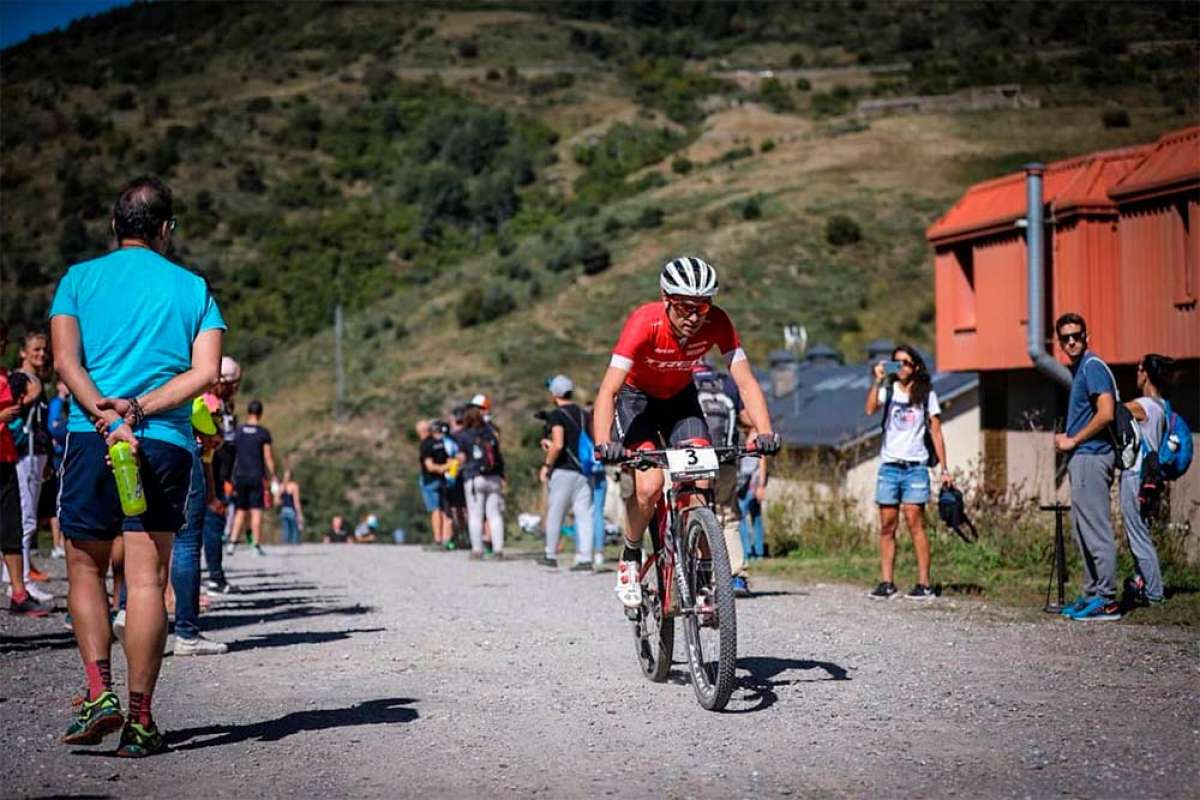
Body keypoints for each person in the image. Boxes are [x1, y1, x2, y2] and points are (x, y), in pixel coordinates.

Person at [50, 175, 225, 756]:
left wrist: (105, 413)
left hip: (92, 437)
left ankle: (100, 693)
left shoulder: (78, 280)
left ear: (114, 226)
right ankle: (143, 721)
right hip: (166, 441)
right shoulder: (194, 288)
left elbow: (65, 362)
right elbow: (205, 374)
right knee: (148, 578)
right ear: (167, 230)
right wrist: (142, 407)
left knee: (85, 567)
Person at [592, 256, 780, 611]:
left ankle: (705, 577)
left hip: (680, 399)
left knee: (702, 482)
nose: (694, 317)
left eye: (703, 306)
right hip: (637, 402)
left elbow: (745, 380)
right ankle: (631, 556)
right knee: (648, 487)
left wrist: (765, 431)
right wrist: (605, 442)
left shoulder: (719, 322)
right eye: (684, 307)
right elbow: (608, 390)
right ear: (666, 298)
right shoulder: (643, 322)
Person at [864, 345, 950, 600]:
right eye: (896, 362)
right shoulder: (887, 390)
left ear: (916, 367)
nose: (901, 367)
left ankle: (924, 583)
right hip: (889, 466)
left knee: (915, 523)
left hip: (915, 467)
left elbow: (936, 431)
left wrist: (945, 468)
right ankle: (886, 582)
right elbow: (869, 409)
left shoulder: (927, 394)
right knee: (887, 525)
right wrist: (877, 380)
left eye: (906, 362)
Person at [1053, 313, 1121, 621]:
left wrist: (1072, 440)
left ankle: (1107, 600)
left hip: (1093, 455)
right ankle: (1093, 593)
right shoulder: (1080, 369)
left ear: (1086, 336)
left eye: (1076, 335)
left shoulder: (1092, 367)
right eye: (1065, 337)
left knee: (1096, 529)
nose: (1071, 341)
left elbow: (1106, 413)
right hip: (1083, 457)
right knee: (1082, 531)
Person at [170, 397, 229, 656]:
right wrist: (211, 430)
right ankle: (186, 632)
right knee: (186, 544)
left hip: (140, 445)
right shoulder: (190, 387)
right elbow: (200, 418)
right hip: (179, 449)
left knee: (144, 538)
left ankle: (128, 610)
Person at [693, 361, 757, 597]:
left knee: (690, 512)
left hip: (692, 460)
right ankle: (735, 576)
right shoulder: (726, 383)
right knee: (727, 517)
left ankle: (699, 574)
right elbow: (748, 419)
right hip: (725, 459)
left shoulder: (683, 382)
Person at [2, 322, 50, 617]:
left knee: (21, 518)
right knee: (25, 516)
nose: (42, 355)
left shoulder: (22, 378)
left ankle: (20, 584)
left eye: (45, 350)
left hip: (26, 453)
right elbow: (15, 411)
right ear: (23, 353)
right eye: (36, 350)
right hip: (22, 452)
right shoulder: (19, 380)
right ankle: (17, 583)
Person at [1119, 354, 1173, 608]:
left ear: (1145, 374)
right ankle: (1144, 582)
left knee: (1137, 534)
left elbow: (1113, 411)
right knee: (1142, 531)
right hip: (1150, 477)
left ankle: (1154, 591)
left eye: (1138, 368)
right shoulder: (1162, 407)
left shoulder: (1143, 406)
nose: (1136, 373)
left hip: (1136, 474)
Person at [539, 375, 595, 571]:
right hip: (584, 471)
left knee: (556, 513)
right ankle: (585, 559)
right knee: (584, 515)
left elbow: (559, 444)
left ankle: (550, 554)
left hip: (563, 470)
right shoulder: (583, 414)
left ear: (555, 393)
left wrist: (547, 465)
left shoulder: (557, 415)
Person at [227, 399, 274, 556]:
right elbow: (267, 457)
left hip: (240, 475)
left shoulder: (238, 432)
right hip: (256, 475)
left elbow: (232, 455)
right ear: (260, 414)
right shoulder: (263, 433)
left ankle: (232, 543)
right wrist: (272, 476)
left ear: (248, 412)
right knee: (256, 511)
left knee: (240, 510)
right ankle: (255, 545)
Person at [460, 406, 506, 559]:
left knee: (475, 515)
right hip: (494, 478)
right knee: (494, 514)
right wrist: (502, 476)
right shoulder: (491, 433)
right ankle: (498, 550)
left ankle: (477, 550)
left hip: (474, 478)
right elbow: (498, 457)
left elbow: (461, 458)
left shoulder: (464, 435)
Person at [46, 379, 71, 559]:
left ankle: (64, 540)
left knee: (67, 497)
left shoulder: (72, 403)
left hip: (67, 454)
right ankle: (57, 543)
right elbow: (55, 429)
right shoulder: (56, 404)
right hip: (58, 456)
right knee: (58, 498)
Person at [417, 419, 451, 548]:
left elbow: (429, 466)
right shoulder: (439, 443)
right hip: (442, 480)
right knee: (443, 509)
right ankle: (445, 539)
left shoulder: (425, 444)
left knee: (435, 510)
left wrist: (439, 468)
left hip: (430, 480)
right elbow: (448, 459)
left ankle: (437, 540)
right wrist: (445, 468)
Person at [276, 469, 304, 544]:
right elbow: (296, 501)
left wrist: (283, 502)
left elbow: (276, 501)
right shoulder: (294, 486)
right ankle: (294, 546)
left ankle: (285, 545)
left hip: (283, 511)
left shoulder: (281, 486)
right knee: (294, 530)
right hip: (291, 510)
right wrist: (299, 514)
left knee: (285, 530)